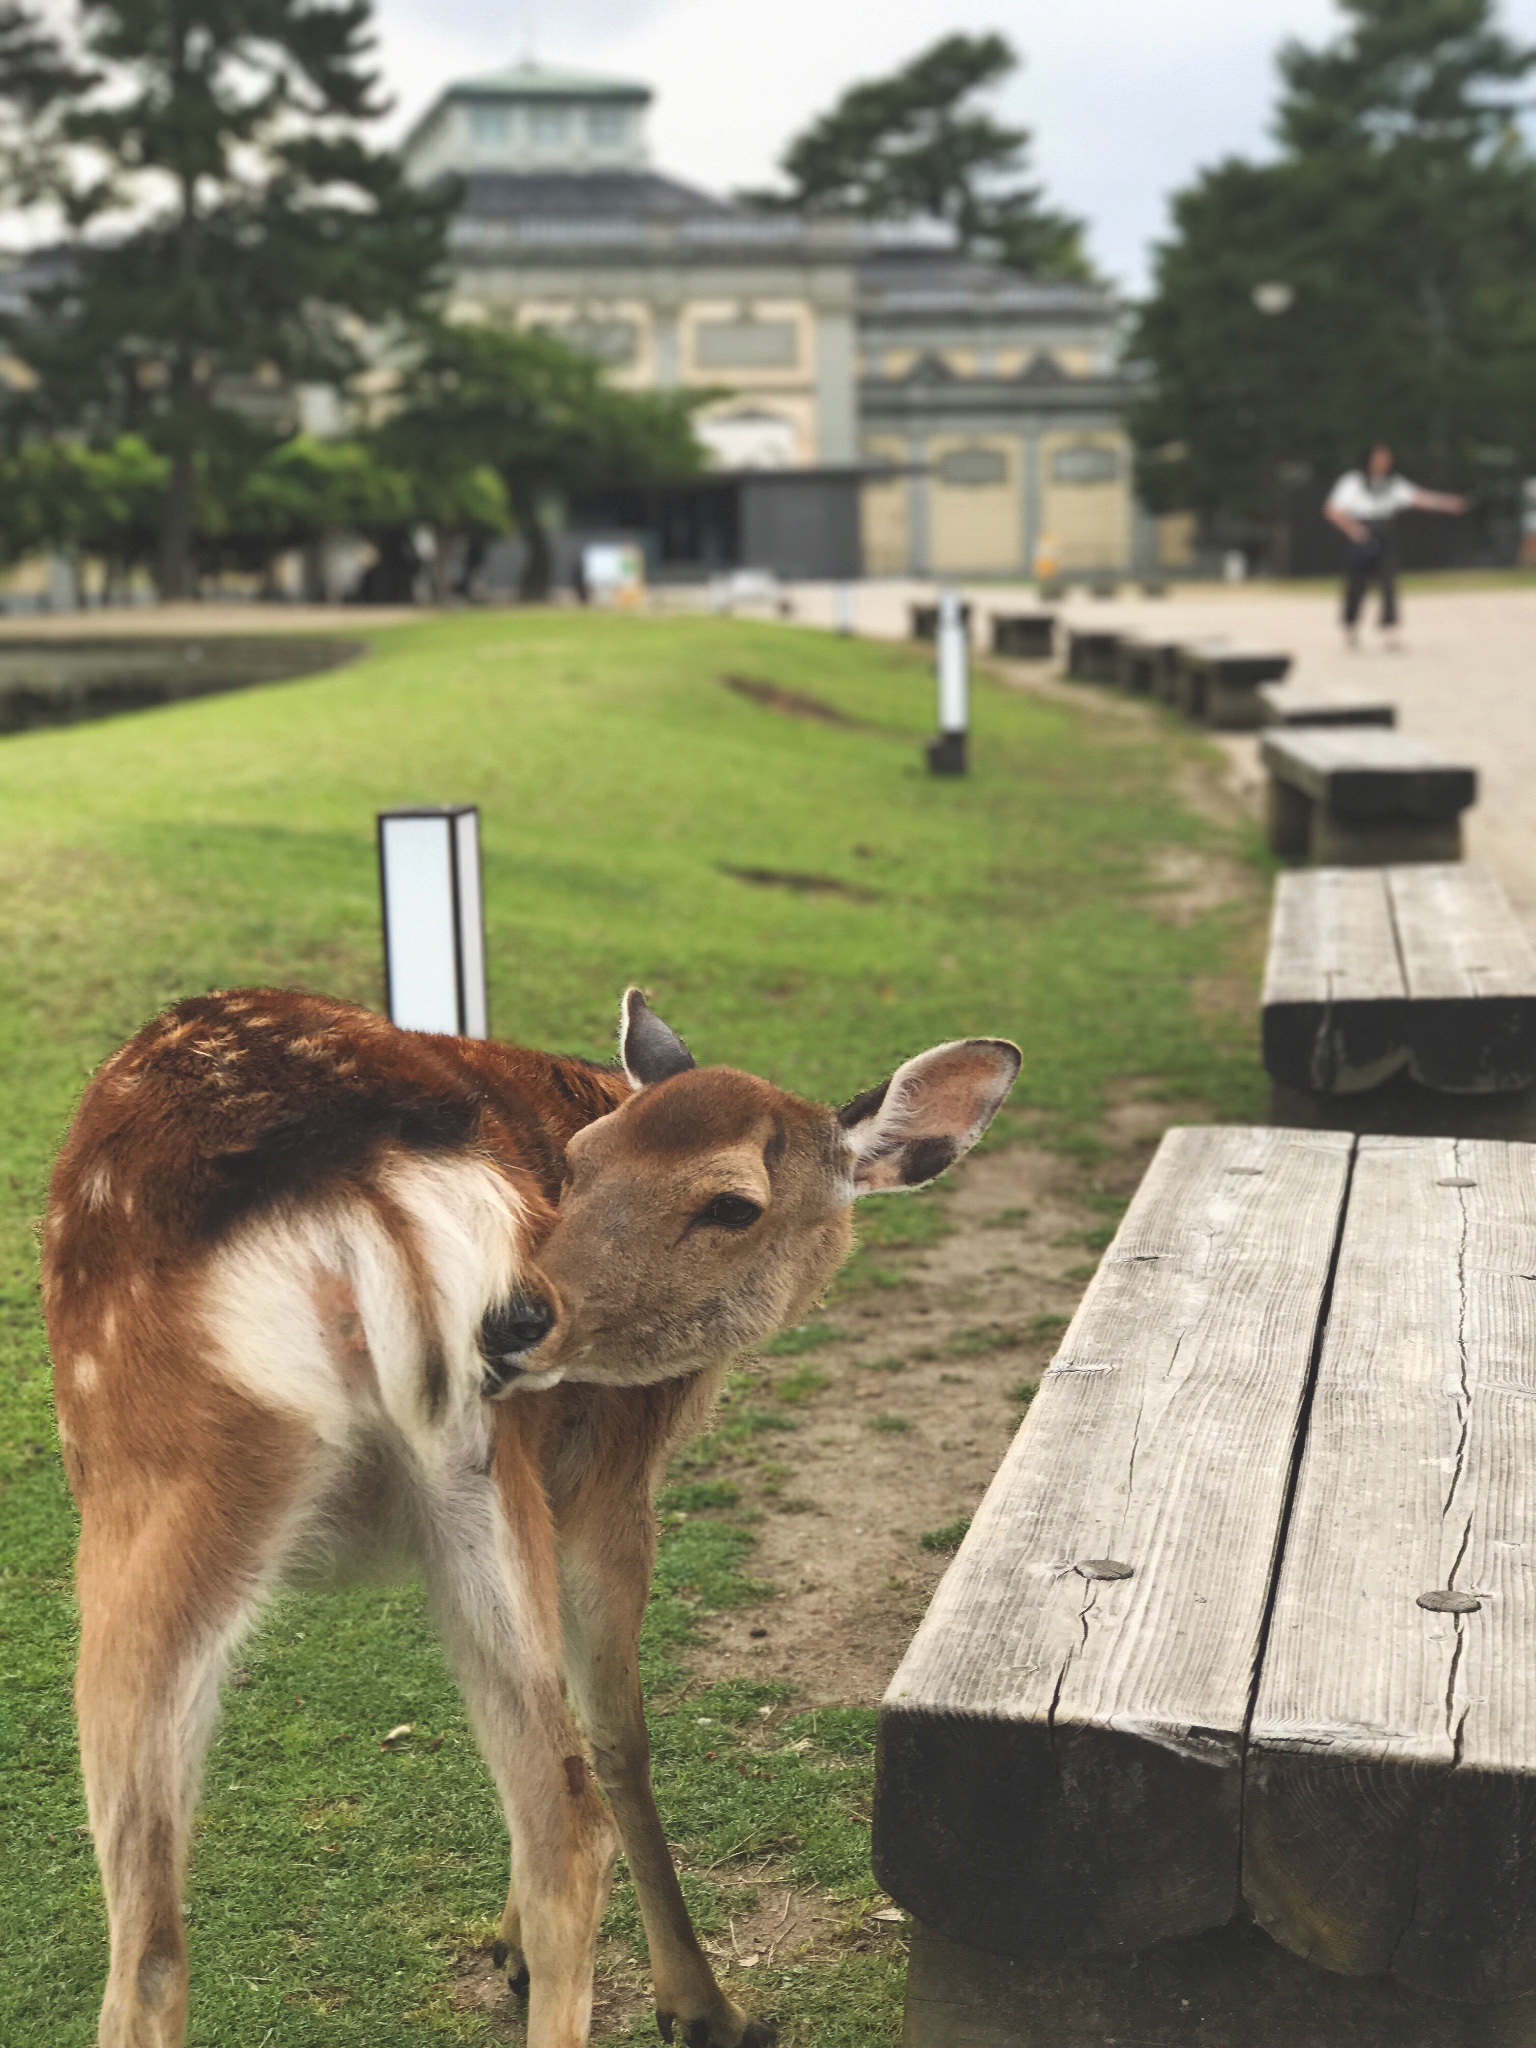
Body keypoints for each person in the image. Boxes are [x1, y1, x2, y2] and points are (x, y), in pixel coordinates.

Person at [1324, 444, 1466, 649]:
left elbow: (1418, 498)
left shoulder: (1393, 483)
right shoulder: (1352, 482)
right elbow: (1333, 510)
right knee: (1356, 585)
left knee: (1389, 583)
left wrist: (1446, 503)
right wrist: (1354, 530)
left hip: (1384, 535)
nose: (1383, 462)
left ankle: (1389, 630)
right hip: (1360, 534)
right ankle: (1351, 626)